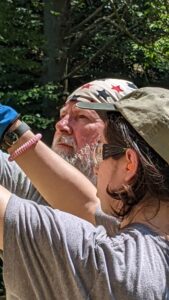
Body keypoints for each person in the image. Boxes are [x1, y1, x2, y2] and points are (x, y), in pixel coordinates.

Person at [0, 87, 169, 299]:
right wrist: (11, 129)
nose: (97, 168)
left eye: (101, 150)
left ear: (129, 164)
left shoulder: (104, 264)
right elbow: (86, 204)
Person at [0, 79, 137, 216]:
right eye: (63, 115)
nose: (61, 125)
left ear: (120, 136)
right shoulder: (27, 179)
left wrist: (11, 128)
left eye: (82, 116)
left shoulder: (135, 219)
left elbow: (92, 210)